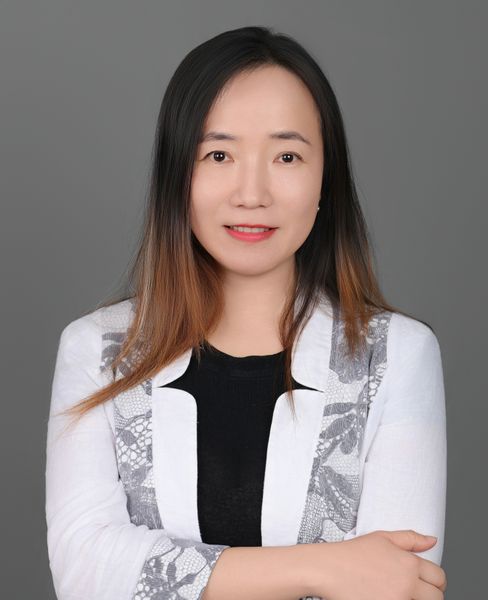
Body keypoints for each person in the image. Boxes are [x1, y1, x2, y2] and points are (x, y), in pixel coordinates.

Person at [45, 25, 447, 600]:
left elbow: (399, 584)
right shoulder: (101, 349)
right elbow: (84, 571)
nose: (252, 193)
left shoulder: (395, 355)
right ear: (177, 175)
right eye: (219, 154)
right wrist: (320, 567)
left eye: (287, 155)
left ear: (325, 178)